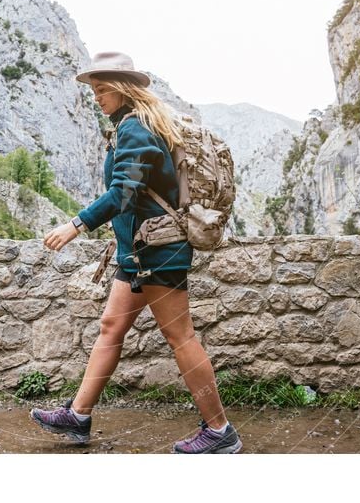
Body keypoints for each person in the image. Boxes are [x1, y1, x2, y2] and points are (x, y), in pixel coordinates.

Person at [29, 51, 242, 454]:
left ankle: (219, 431)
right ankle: (79, 415)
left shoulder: (137, 129)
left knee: (181, 337)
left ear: (124, 89)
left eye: (102, 89)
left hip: (158, 250)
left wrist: (75, 225)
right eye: (94, 90)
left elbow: (122, 193)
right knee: (112, 327)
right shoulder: (133, 126)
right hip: (137, 252)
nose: (96, 97)